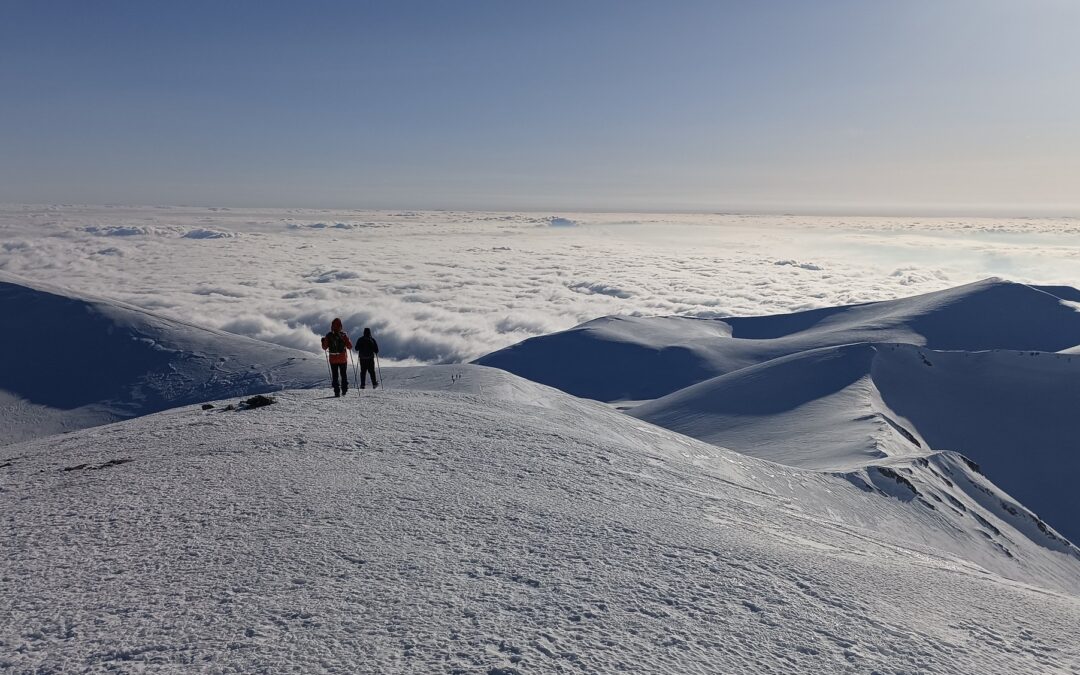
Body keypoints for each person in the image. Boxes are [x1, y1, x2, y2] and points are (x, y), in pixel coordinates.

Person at [321, 318, 353, 397]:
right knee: (343, 374)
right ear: (340, 326)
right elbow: (350, 346)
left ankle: (336, 392)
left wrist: (322, 341)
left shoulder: (328, 335)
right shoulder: (343, 335)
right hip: (342, 358)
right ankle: (344, 389)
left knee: (335, 375)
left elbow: (324, 347)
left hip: (333, 358)